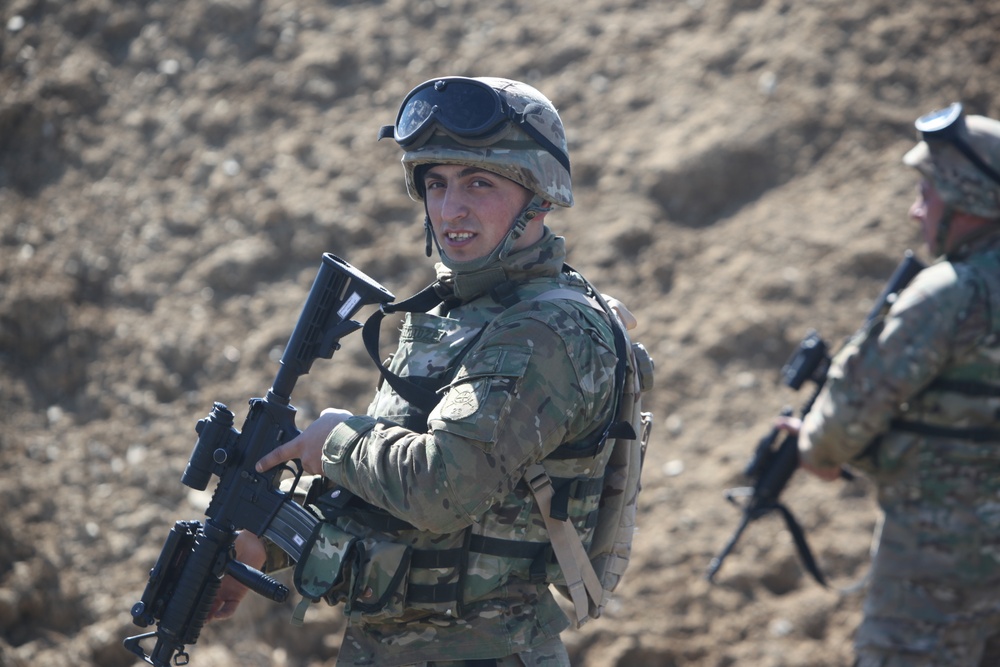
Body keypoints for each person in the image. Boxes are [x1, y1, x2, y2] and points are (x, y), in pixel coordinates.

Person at [208, 76, 642, 667]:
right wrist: (265, 545)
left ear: (537, 198)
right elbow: (385, 505)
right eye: (436, 183)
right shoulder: (452, 312)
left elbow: (442, 487)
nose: (450, 208)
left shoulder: (544, 333)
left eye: (479, 183)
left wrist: (335, 441)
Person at [781, 102, 1000, 667]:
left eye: (928, 193)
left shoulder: (949, 293)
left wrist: (815, 449)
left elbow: (843, 423)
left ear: (968, 199)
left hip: (933, 572)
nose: (915, 210)